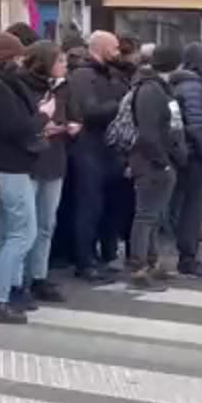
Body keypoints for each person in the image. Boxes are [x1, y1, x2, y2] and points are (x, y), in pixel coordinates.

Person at [0, 32, 53, 324]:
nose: (21, 61)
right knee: (23, 233)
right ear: (7, 57)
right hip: (8, 166)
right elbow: (15, 127)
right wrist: (44, 116)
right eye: (18, 56)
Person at [67, 30, 130, 281]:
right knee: (88, 206)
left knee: (108, 207)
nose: (117, 53)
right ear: (101, 48)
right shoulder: (83, 75)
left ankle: (105, 254)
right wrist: (121, 103)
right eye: (114, 48)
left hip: (109, 149)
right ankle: (84, 260)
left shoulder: (112, 74)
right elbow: (90, 112)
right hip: (88, 149)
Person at [17, 41, 78, 304]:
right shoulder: (23, 87)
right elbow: (20, 125)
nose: (65, 66)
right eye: (60, 61)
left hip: (55, 158)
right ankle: (18, 281)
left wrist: (72, 125)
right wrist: (44, 126)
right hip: (29, 161)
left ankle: (39, 275)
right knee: (24, 226)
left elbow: (73, 114)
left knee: (46, 224)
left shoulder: (64, 87)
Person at [126, 46, 187, 290]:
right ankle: (139, 267)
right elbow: (149, 133)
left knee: (154, 215)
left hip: (160, 160)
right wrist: (163, 162)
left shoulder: (159, 88)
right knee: (146, 216)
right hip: (152, 162)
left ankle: (151, 262)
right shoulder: (152, 91)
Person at [169, 43, 202, 278]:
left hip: (182, 153)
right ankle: (188, 257)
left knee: (181, 206)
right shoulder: (195, 87)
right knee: (195, 208)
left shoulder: (177, 83)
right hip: (197, 155)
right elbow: (198, 126)